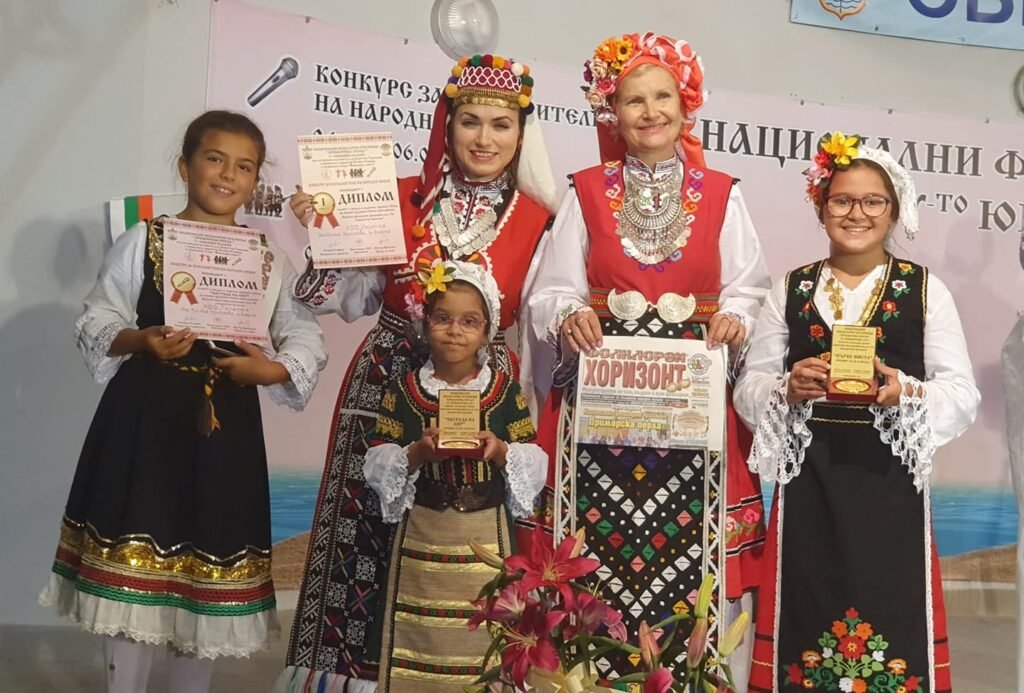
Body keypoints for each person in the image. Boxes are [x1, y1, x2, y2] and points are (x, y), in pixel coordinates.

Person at [277, 54, 557, 692]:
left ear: (521, 134)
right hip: (387, 375)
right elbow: (349, 299)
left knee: (473, 534)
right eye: (469, 121)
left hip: (484, 388)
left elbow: (538, 321)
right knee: (362, 534)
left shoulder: (540, 220)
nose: (484, 138)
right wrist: (324, 232)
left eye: (501, 125)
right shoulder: (398, 196)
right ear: (446, 125)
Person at [38, 110, 327, 693]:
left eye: (243, 167)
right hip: (144, 421)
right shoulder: (146, 239)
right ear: (185, 166)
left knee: (207, 572)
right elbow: (98, 316)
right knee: (133, 570)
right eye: (214, 159)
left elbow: (304, 333)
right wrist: (141, 339)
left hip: (226, 430)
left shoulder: (266, 256)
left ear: (256, 181)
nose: (227, 175)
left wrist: (269, 369)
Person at [526, 32, 770, 684]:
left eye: (663, 96)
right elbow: (551, 290)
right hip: (601, 407)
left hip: (694, 401)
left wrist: (736, 316)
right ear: (613, 111)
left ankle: (691, 678)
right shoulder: (584, 191)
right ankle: (588, 679)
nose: (650, 111)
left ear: (687, 106)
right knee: (596, 553)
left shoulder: (723, 193)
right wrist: (569, 314)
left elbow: (750, 286)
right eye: (634, 100)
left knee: (694, 557)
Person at [735, 132, 980, 692]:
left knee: (889, 611)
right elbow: (749, 387)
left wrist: (905, 393)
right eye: (842, 200)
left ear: (894, 210)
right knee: (805, 609)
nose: (857, 213)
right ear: (821, 207)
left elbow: (962, 394)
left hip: (890, 489)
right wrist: (786, 388)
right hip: (809, 485)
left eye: (873, 201)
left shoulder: (924, 290)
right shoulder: (790, 289)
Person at [363, 260, 546, 691]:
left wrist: (501, 452)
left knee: (485, 627)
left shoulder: (503, 392)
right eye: (442, 318)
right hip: (423, 534)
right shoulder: (404, 390)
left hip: (485, 535)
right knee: (418, 630)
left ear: (486, 331)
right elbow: (378, 456)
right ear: (425, 324)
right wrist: (416, 453)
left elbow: (532, 454)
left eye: (469, 322)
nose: (455, 331)